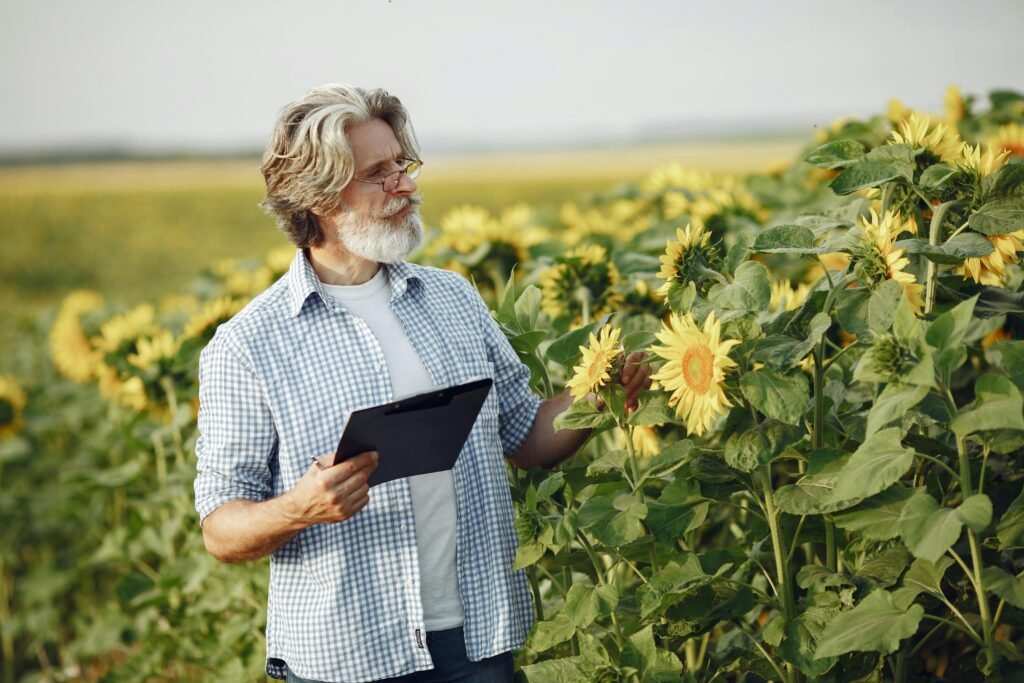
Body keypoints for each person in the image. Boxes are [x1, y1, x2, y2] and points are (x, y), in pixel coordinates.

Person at [194, 84, 651, 683]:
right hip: (347, 653)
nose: (405, 184)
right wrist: (298, 509)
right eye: (378, 174)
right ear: (320, 196)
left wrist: (596, 399)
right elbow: (221, 529)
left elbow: (528, 438)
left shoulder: (453, 299)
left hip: (476, 641)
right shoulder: (249, 345)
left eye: (402, 165)